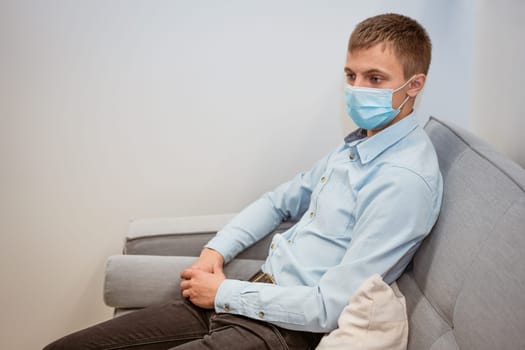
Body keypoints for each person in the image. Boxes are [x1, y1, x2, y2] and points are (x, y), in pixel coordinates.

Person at [44, 13, 443, 350]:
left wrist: (222, 293)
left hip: (281, 330)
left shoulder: (402, 181)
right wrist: (215, 251)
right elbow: (278, 202)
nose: (357, 90)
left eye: (375, 79)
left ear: (415, 85)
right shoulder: (359, 146)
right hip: (246, 297)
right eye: (351, 75)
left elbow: (330, 307)